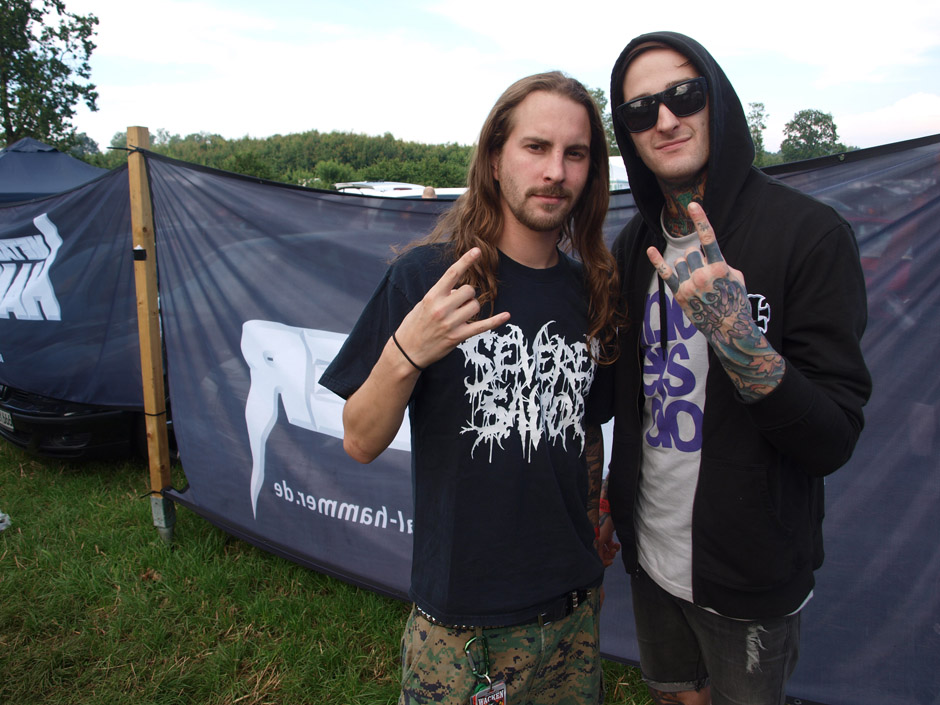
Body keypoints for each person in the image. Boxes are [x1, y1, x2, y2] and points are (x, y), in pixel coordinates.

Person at [319, 71, 620, 705]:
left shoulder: (591, 289)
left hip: (572, 614)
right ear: (494, 157)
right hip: (462, 631)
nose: (555, 172)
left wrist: (594, 526)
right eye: (535, 147)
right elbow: (358, 440)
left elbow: (585, 428)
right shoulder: (429, 279)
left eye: (575, 154)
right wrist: (408, 350)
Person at [598, 31, 872, 705]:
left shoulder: (807, 234)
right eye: (639, 110)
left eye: (683, 95)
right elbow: (629, 400)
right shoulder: (633, 245)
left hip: (751, 571)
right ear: (628, 134)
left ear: (717, 100)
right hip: (652, 551)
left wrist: (736, 336)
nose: (664, 119)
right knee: (674, 696)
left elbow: (832, 437)